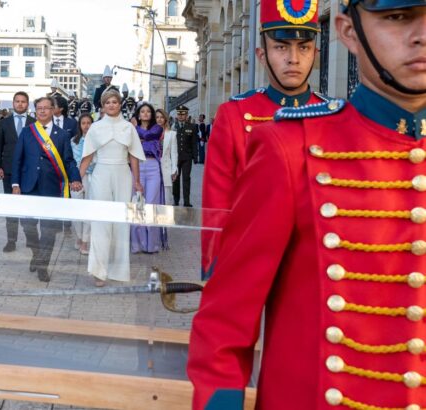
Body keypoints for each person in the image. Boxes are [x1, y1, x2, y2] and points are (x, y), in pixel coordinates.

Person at [188, 1, 426, 409]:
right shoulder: (288, 145)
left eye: (303, 46)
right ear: (348, 32)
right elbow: (225, 325)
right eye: (397, 16)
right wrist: (211, 268)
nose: (421, 35)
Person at [200, 0, 330, 280]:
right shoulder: (234, 115)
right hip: (251, 268)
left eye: (304, 47)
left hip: (317, 274)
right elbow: (217, 205)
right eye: (281, 47)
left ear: (315, 54)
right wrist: (215, 274)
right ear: (261, 54)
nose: (293, 58)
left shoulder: (334, 117)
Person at [12, 97, 82, 282]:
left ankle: (43, 265)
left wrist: (75, 178)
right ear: (35, 111)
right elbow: (17, 160)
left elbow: (69, 161)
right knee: (28, 226)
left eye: (46, 108)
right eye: (39, 108)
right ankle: (36, 253)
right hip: (28, 186)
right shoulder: (27, 132)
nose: (42, 111)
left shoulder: (62, 135)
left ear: (53, 110)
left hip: (51, 188)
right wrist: (15, 184)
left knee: (49, 231)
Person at [79, 90, 145, 287]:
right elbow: (88, 157)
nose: (111, 105)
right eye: (108, 102)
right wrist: (75, 179)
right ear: (103, 105)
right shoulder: (96, 128)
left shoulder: (129, 128)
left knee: (121, 222)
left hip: (123, 175)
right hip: (101, 174)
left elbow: (133, 156)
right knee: (100, 221)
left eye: (115, 102)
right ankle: (99, 271)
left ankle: (118, 269)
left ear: (120, 104)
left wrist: (137, 181)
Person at [0, 91, 34, 253]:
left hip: (28, 172)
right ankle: (11, 240)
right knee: (10, 207)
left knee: (27, 207)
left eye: (23, 101)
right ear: (13, 103)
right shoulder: (5, 123)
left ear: (27, 104)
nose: (20, 104)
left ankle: (31, 239)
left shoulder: (34, 122)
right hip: (9, 171)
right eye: (17, 101)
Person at [131, 103, 165, 253]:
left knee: (151, 204)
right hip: (137, 167)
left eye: (148, 112)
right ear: (139, 114)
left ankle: (152, 245)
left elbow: (148, 136)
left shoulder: (157, 128)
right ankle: (138, 244)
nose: (145, 114)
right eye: (142, 111)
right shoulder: (132, 130)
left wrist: (135, 128)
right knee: (137, 204)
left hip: (153, 168)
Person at [71, 113, 94, 255]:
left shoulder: (97, 140)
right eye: (83, 123)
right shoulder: (74, 141)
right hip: (76, 178)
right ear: (79, 125)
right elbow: (74, 160)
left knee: (89, 209)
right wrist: (76, 177)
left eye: (89, 123)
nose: (86, 125)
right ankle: (79, 237)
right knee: (76, 209)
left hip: (93, 176)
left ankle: (85, 241)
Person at [172, 105, 198, 207]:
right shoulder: (173, 126)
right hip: (176, 158)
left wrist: (195, 157)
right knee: (176, 179)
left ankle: (186, 201)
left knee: (186, 179)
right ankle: (176, 200)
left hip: (187, 157)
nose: (181, 116)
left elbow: (194, 143)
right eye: (179, 114)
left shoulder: (192, 127)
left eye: (183, 114)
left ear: (187, 115)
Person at [156, 109, 178, 206]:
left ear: (165, 119)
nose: (159, 119)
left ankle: (166, 219)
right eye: (157, 117)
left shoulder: (172, 134)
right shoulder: (150, 134)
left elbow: (174, 153)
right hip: (154, 167)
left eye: (162, 117)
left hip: (166, 167)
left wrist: (174, 169)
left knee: (166, 196)